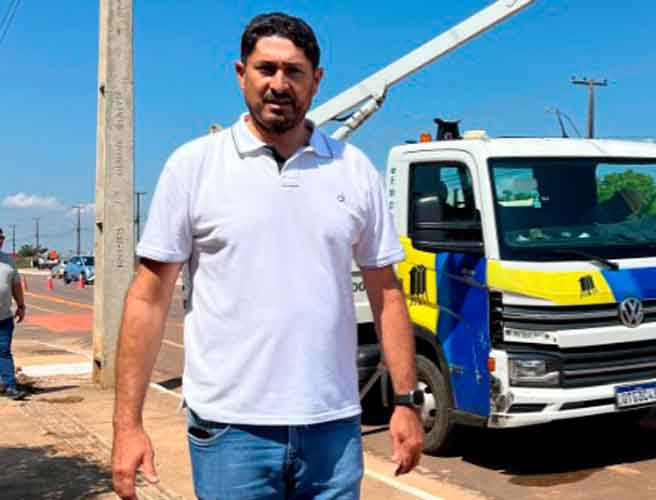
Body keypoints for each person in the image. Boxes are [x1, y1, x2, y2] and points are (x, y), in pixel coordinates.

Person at [111, 12, 423, 500]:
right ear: (241, 74)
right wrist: (127, 425)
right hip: (231, 431)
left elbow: (386, 293)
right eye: (266, 69)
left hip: (333, 430)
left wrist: (404, 400)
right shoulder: (194, 167)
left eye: (294, 72)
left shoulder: (353, 170)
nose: (279, 84)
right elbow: (148, 300)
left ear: (316, 81)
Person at [0, 227, 27, 400]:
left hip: (3, 318)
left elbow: (16, 285)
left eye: (1, 237)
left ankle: (10, 386)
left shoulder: (8, 261)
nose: (0, 240)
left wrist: (21, 306)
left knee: (3, 352)